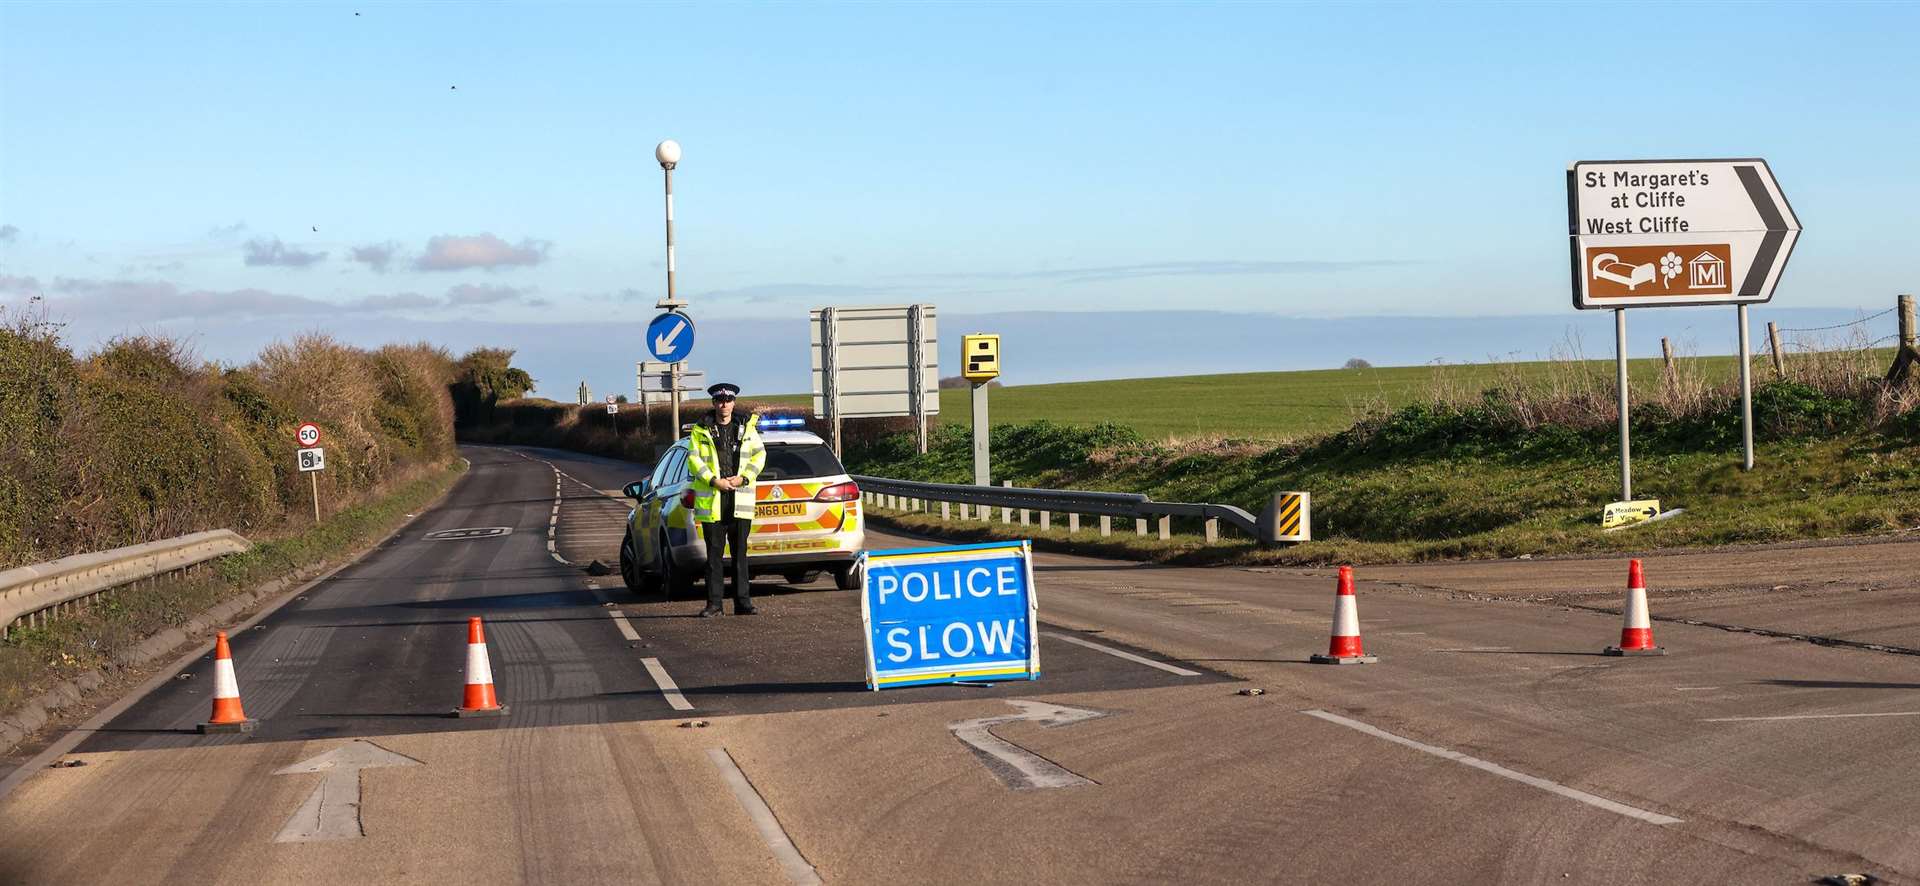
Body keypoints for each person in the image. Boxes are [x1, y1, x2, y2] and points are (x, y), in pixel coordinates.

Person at [687, 383, 766, 617]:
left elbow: (759, 456)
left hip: (739, 499)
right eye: (720, 400)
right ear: (714, 403)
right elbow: (694, 460)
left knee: (740, 555)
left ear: (734, 403)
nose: (724, 404)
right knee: (713, 557)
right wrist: (714, 481)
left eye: (728, 400)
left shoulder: (747, 428)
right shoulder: (700, 430)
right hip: (713, 499)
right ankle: (714, 605)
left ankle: (743, 603)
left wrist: (744, 478)